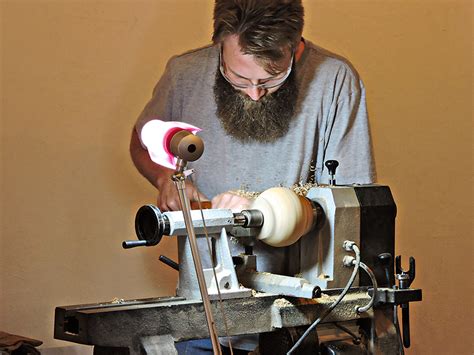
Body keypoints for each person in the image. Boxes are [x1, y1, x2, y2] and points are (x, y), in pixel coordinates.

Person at [130, 0, 376, 353]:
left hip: (300, 314)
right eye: (239, 77)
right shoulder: (185, 74)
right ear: (219, 44)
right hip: (204, 310)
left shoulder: (333, 80)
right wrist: (164, 177)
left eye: (271, 79)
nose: (254, 93)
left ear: (295, 45)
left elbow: (352, 203)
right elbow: (142, 142)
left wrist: (267, 209)